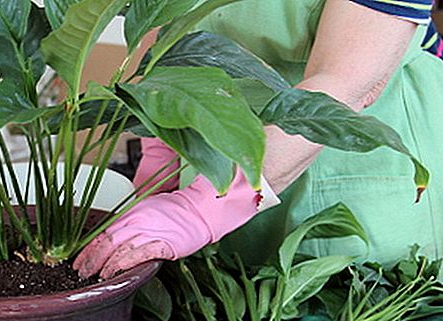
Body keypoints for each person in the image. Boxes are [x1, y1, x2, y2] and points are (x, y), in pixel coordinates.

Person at [75, 0, 443, 279]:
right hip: (222, 168)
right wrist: (162, 152)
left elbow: (344, 87)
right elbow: (171, 28)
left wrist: (200, 210)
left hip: (354, 185)